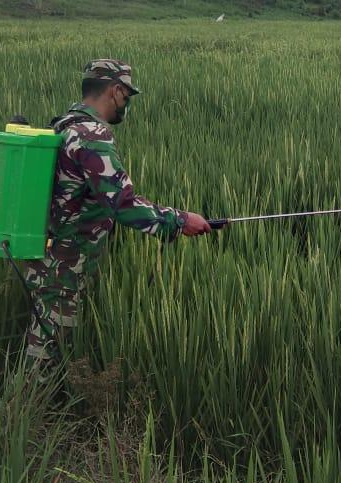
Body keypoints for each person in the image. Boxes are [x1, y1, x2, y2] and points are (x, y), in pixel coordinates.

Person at [22, 59, 211, 368]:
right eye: (126, 97)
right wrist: (178, 221)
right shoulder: (91, 135)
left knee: (47, 337)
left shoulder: (63, 124)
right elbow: (122, 203)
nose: (126, 105)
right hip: (65, 264)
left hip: (49, 255)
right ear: (115, 91)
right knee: (45, 350)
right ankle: (25, 409)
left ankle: (38, 405)